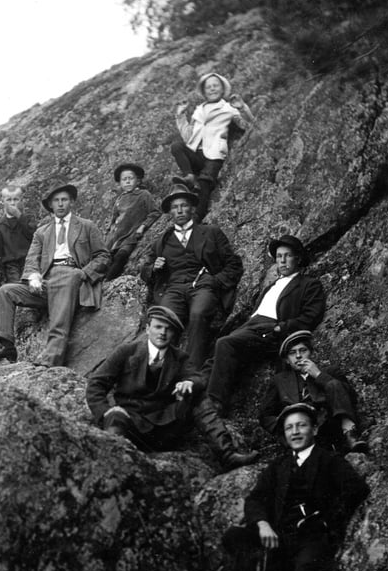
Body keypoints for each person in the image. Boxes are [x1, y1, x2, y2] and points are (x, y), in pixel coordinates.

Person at [222, 403, 369, 571]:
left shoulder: (329, 460)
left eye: (301, 425)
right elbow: (255, 499)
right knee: (233, 537)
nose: (295, 432)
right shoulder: (278, 466)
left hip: (313, 536)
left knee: (306, 569)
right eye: (290, 428)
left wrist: (327, 519)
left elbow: (356, 489)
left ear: (314, 429)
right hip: (278, 534)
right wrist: (263, 524)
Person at [86, 305, 258, 467]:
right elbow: (96, 384)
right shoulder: (126, 351)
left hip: (164, 430)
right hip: (132, 425)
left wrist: (189, 383)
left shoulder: (179, 357)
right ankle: (111, 464)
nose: (162, 333)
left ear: (174, 334)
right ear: (148, 329)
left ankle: (227, 454)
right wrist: (105, 411)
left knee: (197, 395)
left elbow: (198, 378)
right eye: (158, 327)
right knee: (115, 418)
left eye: (168, 329)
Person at [0, 183, 110, 367]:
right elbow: (32, 259)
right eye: (56, 201)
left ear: (72, 202)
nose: (60, 204)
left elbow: (103, 256)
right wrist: (33, 277)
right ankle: (7, 345)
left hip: (73, 276)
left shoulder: (86, 226)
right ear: (50, 205)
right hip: (47, 282)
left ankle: (51, 359)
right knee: (5, 291)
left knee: (67, 280)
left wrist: (83, 273)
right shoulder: (42, 232)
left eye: (64, 200)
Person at [206, 234, 326, 412]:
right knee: (215, 357)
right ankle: (192, 391)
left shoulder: (308, 284)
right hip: (250, 326)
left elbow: (311, 316)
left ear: (298, 259)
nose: (282, 261)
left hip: (270, 329)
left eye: (287, 256)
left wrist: (281, 328)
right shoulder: (272, 286)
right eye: (279, 256)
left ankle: (215, 404)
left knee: (225, 343)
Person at [139, 183, 244, 369]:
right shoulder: (161, 241)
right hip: (173, 289)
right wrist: (153, 268)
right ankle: (161, 369)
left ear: (192, 208)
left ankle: (192, 370)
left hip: (203, 286)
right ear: (170, 212)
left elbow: (234, 264)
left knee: (198, 314)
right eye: (174, 207)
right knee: (163, 320)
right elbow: (145, 270)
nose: (179, 210)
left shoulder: (211, 232)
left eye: (184, 205)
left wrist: (214, 281)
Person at [259, 331, 369, 454]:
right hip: (302, 429)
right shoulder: (279, 381)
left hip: (330, 424)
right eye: (292, 353)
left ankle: (350, 434)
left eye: (303, 350)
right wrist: (285, 428)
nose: (298, 356)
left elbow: (349, 395)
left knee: (334, 384)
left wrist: (318, 375)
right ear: (287, 360)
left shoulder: (330, 371)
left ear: (311, 352)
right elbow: (265, 415)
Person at [170, 72, 255, 221]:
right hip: (197, 153)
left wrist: (242, 108)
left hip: (214, 155)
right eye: (208, 87)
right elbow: (188, 137)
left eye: (216, 85)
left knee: (205, 182)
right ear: (204, 92)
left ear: (222, 89)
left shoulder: (228, 108)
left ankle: (197, 216)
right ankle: (189, 176)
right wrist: (181, 116)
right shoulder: (199, 110)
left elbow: (248, 126)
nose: (212, 89)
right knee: (177, 146)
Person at [104, 162, 161, 280]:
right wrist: (108, 231)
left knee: (121, 256)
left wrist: (143, 226)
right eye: (124, 179)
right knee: (105, 259)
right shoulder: (120, 199)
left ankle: (107, 281)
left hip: (130, 235)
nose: (128, 181)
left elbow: (155, 212)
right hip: (116, 237)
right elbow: (114, 218)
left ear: (138, 181)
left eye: (131, 178)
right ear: (120, 183)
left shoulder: (143, 195)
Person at [0, 184, 38, 285]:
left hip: (29, 262)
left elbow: (33, 235)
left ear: (21, 200)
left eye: (16, 199)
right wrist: (0, 270)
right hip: (11, 266)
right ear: (3, 201)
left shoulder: (28, 219)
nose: (12, 203)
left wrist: (19, 216)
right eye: (9, 200)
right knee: (15, 287)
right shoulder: (0, 225)